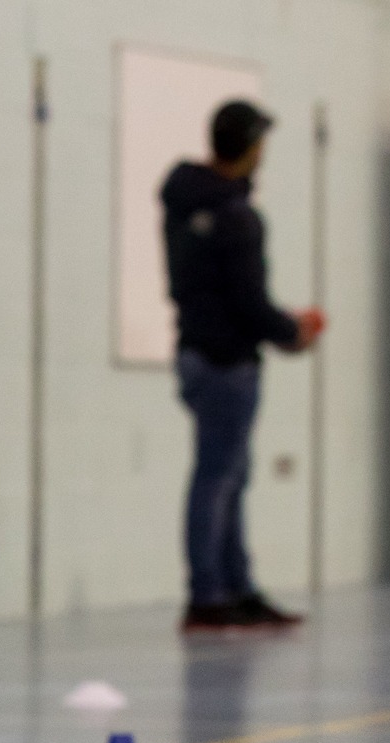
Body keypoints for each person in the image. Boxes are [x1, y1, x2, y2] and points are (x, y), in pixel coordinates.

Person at [160, 99, 322, 633]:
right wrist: (292, 331)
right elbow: (249, 303)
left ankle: (234, 587)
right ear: (252, 150)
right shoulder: (238, 218)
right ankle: (209, 593)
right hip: (227, 362)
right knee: (218, 477)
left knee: (228, 473)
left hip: (191, 355)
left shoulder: (183, 202)